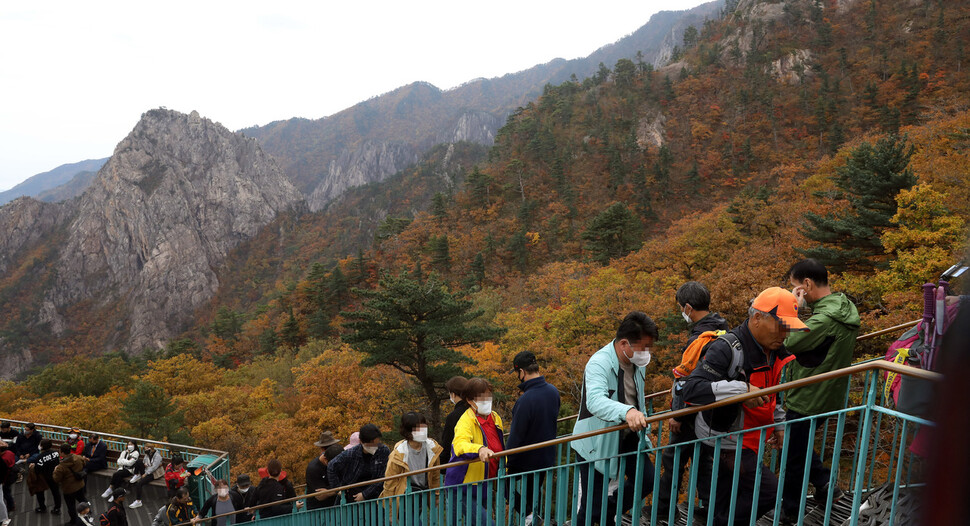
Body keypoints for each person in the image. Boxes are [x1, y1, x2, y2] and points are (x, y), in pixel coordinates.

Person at [681, 287, 813, 526]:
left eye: (788, 327)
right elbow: (692, 389)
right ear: (757, 317)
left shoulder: (775, 351)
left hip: (750, 437)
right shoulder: (727, 347)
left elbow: (773, 392)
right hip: (724, 438)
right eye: (780, 325)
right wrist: (742, 391)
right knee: (769, 492)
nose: (785, 334)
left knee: (722, 500)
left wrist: (779, 424)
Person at [778, 260, 858, 523]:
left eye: (795, 288)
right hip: (828, 393)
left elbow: (790, 342)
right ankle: (825, 486)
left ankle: (790, 511)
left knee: (792, 455)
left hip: (809, 396)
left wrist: (793, 310)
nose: (794, 292)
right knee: (796, 445)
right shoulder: (844, 306)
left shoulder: (824, 319)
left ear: (807, 285)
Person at [571, 311, 657, 526]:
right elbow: (595, 401)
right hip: (596, 440)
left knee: (647, 480)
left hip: (627, 435)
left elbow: (638, 398)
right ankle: (600, 515)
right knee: (591, 509)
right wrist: (627, 412)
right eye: (643, 347)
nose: (647, 353)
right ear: (624, 344)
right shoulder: (599, 363)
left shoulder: (636, 365)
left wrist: (640, 421)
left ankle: (606, 513)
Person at [657, 281, 730, 519]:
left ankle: (664, 511)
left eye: (681, 308)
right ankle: (710, 509)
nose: (682, 313)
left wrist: (677, 415)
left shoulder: (700, 339)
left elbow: (686, 381)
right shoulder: (723, 330)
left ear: (688, 307)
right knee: (704, 460)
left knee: (673, 457)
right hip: (713, 409)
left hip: (692, 411)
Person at [505, 351, 561, 525]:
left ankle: (530, 516)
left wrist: (508, 461)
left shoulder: (526, 400)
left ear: (522, 372)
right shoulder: (553, 391)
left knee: (503, 485)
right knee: (533, 492)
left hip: (526, 458)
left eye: (517, 373)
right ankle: (532, 517)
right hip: (546, 456)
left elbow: (516, 435)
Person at [444, 377, 505, 526]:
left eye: (488, 397)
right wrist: (479, 449)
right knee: (486, 523)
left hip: (483, 483)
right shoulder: (466, 420)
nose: (486, 401)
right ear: (470, 401)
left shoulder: (495, 417)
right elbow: (459, 444)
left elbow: (499, 444)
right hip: (463, 486)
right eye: (481, 398)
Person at [381, 412, 443, 497]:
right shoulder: (398, 453)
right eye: (418, 428)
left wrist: (436, 496)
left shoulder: (432, 448)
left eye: (424, 427)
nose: (423, 430)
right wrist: (390, 506)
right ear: (408, 430)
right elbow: (390, 482)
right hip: (406, 495)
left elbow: (435, 476)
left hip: (425, 493)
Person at [327, 424, 390, 503]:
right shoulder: (351, 453)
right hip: (352, 496)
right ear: (362, 442)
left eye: (376, 443)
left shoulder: (383, 451)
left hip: (376, 495)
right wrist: (337, 489)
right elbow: (331, 466)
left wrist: (365, 494)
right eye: (371, 444)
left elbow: (383, 477)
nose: (375, 447)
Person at [305, 432, 342, 510]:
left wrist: (328, 492)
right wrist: (337, 490)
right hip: (318, 510)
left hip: (336, 505)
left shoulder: (340, 459)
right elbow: (320, 496)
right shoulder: (313, 468)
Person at [52, 442, 87, 526]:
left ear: (63, 453)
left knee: (71, 505)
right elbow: (84, 464)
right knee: (82, 499)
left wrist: (55, 470)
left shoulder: (61, 467)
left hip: (69, 488)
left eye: (60, 451)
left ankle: (73, 521)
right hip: (80, 484)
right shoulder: (78, 458)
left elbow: (56, 479)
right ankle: (88, 511)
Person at [440, 376, 469, 466]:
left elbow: (447, 442)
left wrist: (442, 463)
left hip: (459, 463)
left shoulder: (453, 416)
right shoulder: (476, 410)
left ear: (453, 394)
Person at [27, 438, 61, 514]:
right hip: (54, 475)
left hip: (43, 478)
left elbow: (37, 470)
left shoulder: (39, 457)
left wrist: (33, 466)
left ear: (42, 447)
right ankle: (57, 508)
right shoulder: (55, 453)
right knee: (56, 492)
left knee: (40, 492)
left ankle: (42, 507)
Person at [129, 443, 164, 509]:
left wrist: (146, 473)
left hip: (154, 473)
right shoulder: (148, 454)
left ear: (149, 448)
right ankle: (136, 475)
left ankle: (138, 501)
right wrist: (145, 464)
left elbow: (154, 467)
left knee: (139, 484)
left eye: (146, 449)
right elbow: (144, 460)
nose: (145, 451)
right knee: (138, 462)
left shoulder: (157, 456)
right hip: (147, 469)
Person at [0, 441, 15, 514]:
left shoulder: (3, 459)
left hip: (6, 478)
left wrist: (3, 481)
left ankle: (11, 506)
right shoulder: (10, 453)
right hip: (11, 475)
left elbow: (4, 472)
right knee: (8, 491)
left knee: (6, 493)